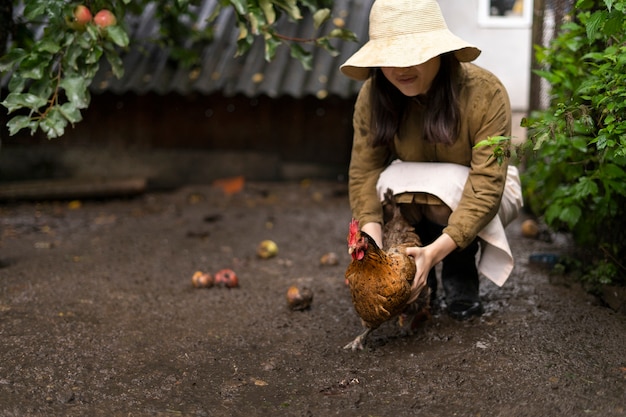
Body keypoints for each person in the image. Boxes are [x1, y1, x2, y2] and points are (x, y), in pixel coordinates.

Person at [340, 0, 523, 320]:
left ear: (439, 50)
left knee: (448, 189)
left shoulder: (485, 93)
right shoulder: (373, 96)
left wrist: (434, 253)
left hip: (487, 192)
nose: (400, 68)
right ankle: (419, 271)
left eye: (413, 54)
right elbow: (364, 173)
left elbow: (486, 183)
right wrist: (374, 256)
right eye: (388, 57)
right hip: (417, 191)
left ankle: (458, 270)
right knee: (383, 187)